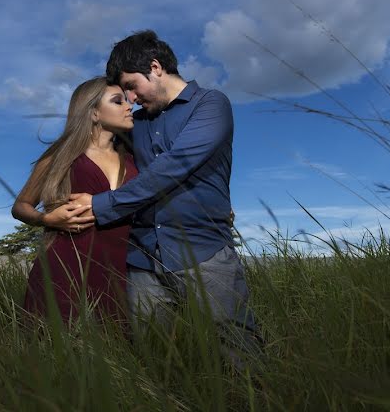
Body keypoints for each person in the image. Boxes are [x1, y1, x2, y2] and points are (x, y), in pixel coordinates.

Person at [69, 30, 260, 355]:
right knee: (155, 357)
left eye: (131, 85)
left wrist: (101, 205)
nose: (130, 98)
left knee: (239, 352)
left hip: (203, 253)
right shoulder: (136, 123)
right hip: (142, 259)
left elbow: (175, 166)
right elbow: (95, 146)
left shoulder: (210, 104)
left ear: (155, 67)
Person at [12, 76, 137, 322]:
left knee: (116, 352)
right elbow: (20, 206)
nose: (129, 106)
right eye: (117, 101)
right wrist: (46, 218)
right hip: (66, 264)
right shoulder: (62, 155)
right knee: (56, 351)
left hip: (122, 268)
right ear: (93, 113)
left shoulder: (134, 159)